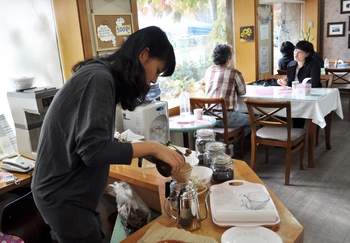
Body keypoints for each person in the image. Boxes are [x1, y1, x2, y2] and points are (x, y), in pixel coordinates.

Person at [31, 26, 185, 243]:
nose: (154, 81)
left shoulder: (103, 76)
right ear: (144, 54)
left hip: (71, 193)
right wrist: (152, 146)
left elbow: (92, 141)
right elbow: (93, 151)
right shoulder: (99, 79)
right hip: (63, 196)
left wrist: (147, 153)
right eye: (157, 71)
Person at [204, 44, 251, 137]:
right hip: (226, 118)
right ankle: (235, 143)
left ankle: (231, 142)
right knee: (252, 120)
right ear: (228, 59)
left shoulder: (209, 70)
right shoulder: (234, 73)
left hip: (208, 117)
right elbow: (242, 91)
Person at [277, 40, 322, 128]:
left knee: (299, 108)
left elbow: (314, 82)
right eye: (295, 50)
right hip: (293, 95)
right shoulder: (291, 64)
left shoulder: (314, 63)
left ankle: (297, 132)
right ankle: (284, 132)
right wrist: (285, 83)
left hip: (309, 95)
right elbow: (290, 83)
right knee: (279, 108)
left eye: (300, 52)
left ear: (307, 54)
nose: (296, 54)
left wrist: (296, 86)